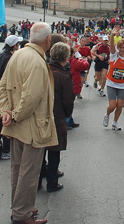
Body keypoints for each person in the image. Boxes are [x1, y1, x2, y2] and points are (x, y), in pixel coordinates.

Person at [0, 22, 57, 224]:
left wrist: (6, 112)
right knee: (29, 173)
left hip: (17, 125)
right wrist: (14, 114)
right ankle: (22, 214)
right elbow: (31, 99)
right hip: (32, 125)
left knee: (17, 170)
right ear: (48, 40)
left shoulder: (18, 55)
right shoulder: (37, 62)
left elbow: (2, 87)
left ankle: (20, 208)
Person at [40, 42, 75, 193]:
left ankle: (40, 175)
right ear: (66, 57)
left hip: (41, 114)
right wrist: (67, 114)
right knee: (54, 150)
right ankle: (52, 181)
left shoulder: (43, 70)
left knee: (40, 149)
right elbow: (68, 100)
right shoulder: (63, 76)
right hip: (56, 114)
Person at [0, 34, 23, 159]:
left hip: (1, 88)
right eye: (17, 44)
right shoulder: (10, 58)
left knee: (1, 119)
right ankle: (5, 148)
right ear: (14, 45)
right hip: (7, 90)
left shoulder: (2, 54)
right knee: (5, 119)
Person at [103, 26, 124, 131]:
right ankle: (107, 114)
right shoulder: (114, 56)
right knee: (112, 105)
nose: (122, 49)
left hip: (122, 84)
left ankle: (115, 122)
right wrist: (112, 35)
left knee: (120, 104)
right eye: (120, 47)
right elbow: (112, 47)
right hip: (111, 83)